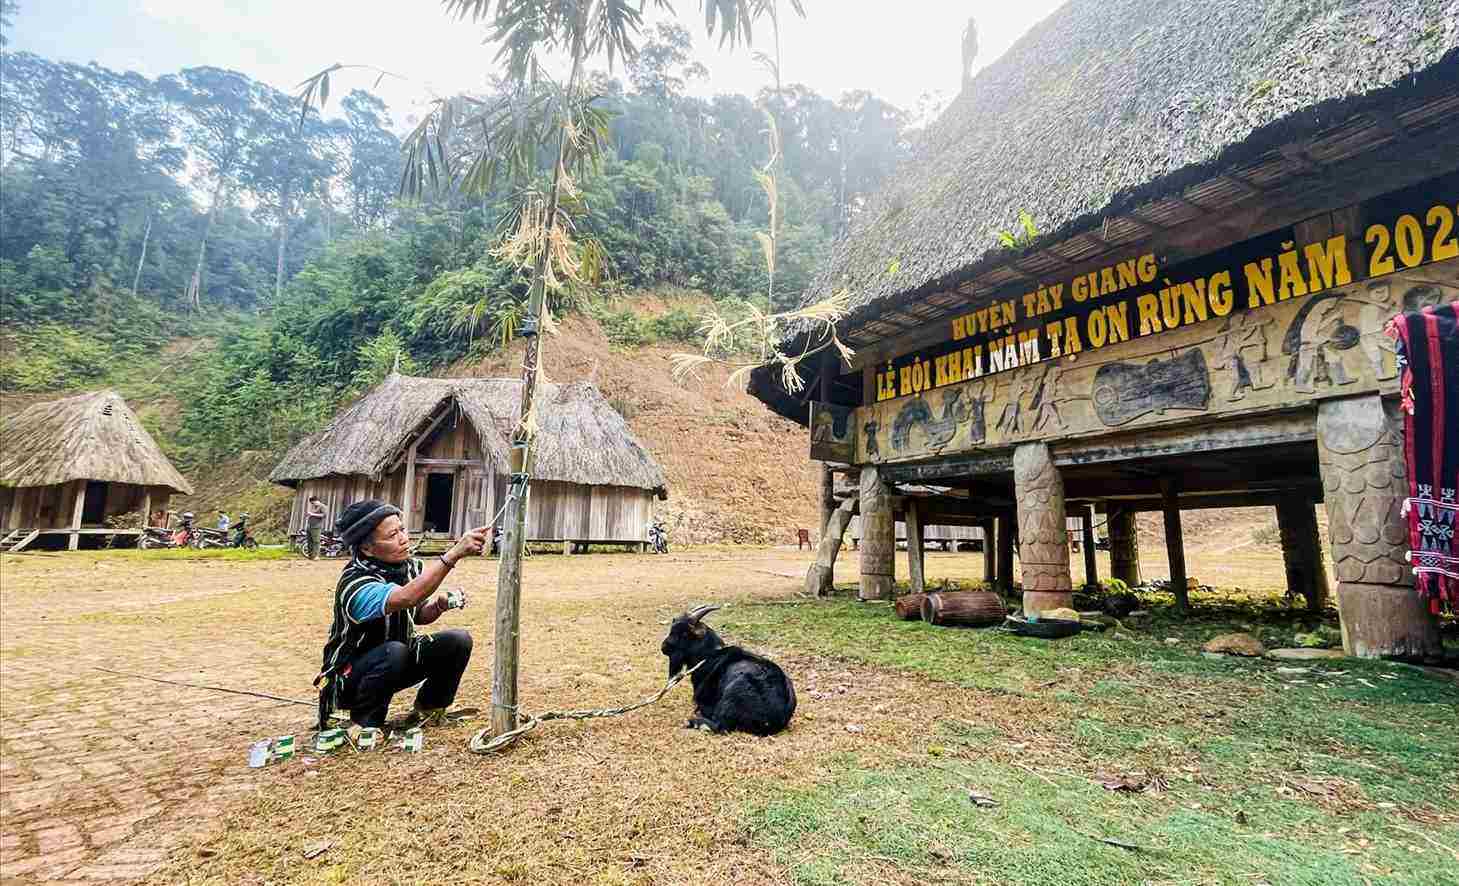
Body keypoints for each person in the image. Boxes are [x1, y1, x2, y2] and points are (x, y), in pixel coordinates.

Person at [315, 499, 487, 729]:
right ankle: (363, 724)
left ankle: (428, 709)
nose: (403, 539)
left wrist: (438, 606)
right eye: (391, 535)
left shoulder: (408, 568)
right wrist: (453, 554)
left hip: (396, 661)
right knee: (394, 650)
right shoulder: (356, 583)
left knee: (458, 640)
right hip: (351, 678)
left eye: (402, 529)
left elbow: (416, 613)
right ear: (367, 548)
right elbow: (405, 598)